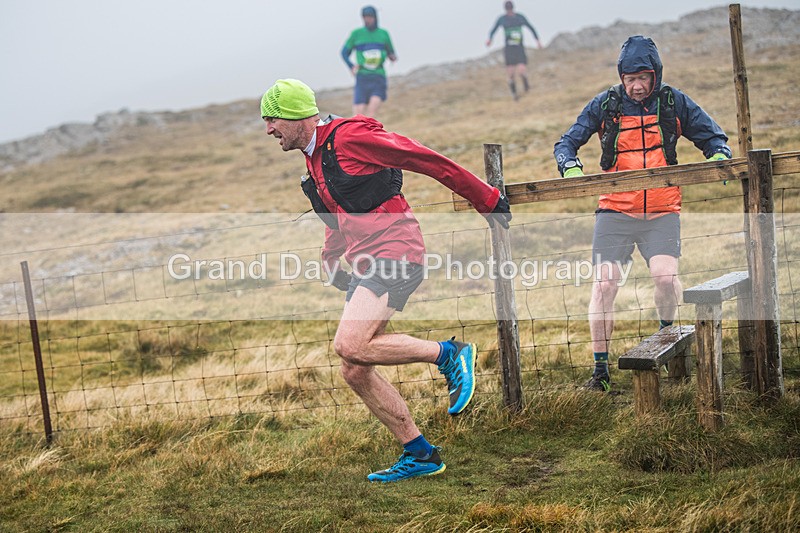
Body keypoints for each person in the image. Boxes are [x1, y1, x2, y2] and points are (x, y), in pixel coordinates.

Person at [260, 79, 511, 482]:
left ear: (292, 115)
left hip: (396, 250)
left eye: (271, 120)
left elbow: (425, 159)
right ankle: (421, 454)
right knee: (353, 368)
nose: (268, 130)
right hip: (366, 262)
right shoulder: (313, 157)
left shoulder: (351, 137)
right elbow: (338, 216)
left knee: (350, 344)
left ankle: (449, 354)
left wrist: (485, 198)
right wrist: (331, 262)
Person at [553, 35, 731, 391]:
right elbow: (566, 142)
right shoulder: (606, 104)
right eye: (629, 78)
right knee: (603, 286)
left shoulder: (672, 101)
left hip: (663, 209)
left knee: (665, 280)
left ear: (655, 76)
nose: (635, 86)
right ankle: (599, 372)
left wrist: (719, 157)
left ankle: (667, 343)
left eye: (643, 78)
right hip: (614, 211)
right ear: (621, 77)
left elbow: (712, 136)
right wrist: (569, 167)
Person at [341, 5, 397, 118]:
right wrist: (351, 66)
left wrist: (392, 57)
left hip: (378, 76)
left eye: (370, 17)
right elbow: (344, 52)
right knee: (358, 114)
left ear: (375, 17)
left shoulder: (383, 34)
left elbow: (391, 52)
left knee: (371, 114)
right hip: (362, 76)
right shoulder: (356, 34)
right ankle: (357, 135)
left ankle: (368, 134)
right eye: (365, 17)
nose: (367, 20)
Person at [486, 1, 542, 101]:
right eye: (508, 10)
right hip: (509, 49)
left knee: (522, 70)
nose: (509, 12)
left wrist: (537, 40)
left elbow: (531, 28)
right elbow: (493, 30)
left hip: (519, 48)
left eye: (510, 10)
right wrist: (490, 39)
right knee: (511, 73)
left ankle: (526, 86)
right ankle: (514, 94)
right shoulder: (502, 19)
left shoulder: (520, 17)